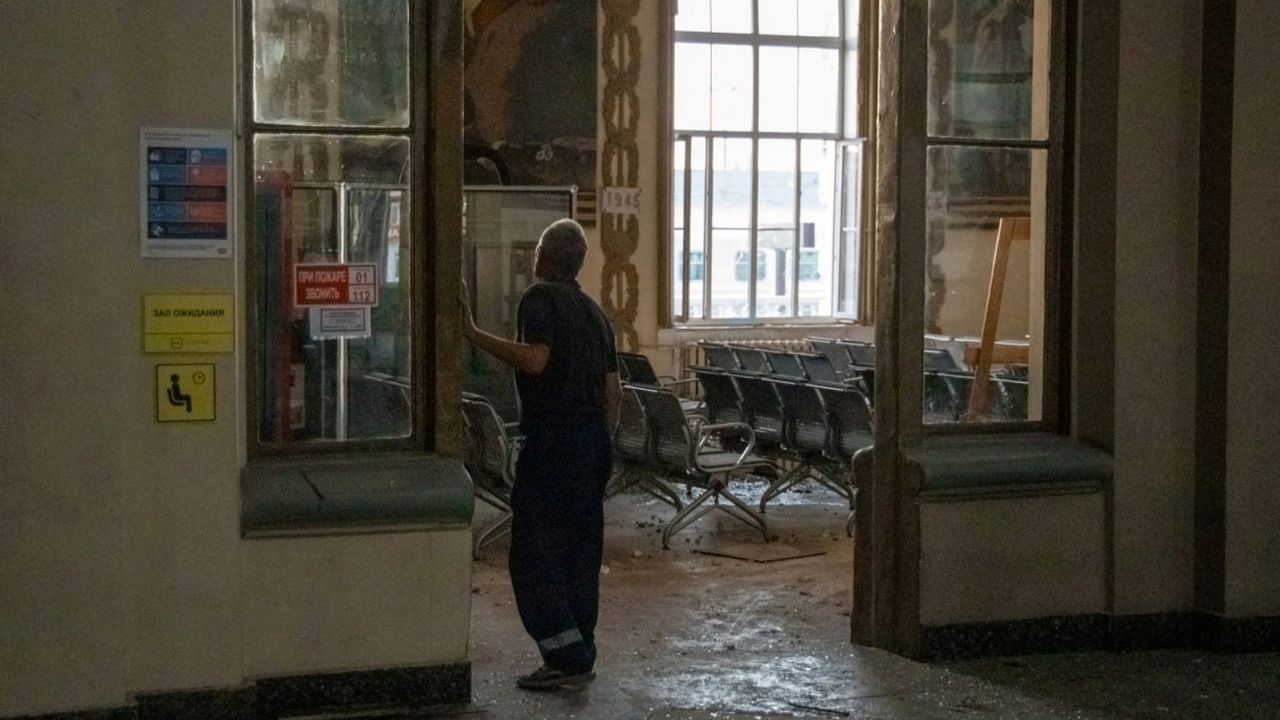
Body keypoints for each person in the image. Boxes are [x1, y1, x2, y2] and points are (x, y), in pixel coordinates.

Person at [460, 218, 621, 691]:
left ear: (542, 258)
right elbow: (615, 392)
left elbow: (536, 359)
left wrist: (472, 333)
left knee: (533, 553)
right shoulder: (595, 314)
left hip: (552, 442)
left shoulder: (539, 300)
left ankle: (562, 654)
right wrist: (602, 445)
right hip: (591, 443)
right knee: (579, 554)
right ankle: (580, 652)